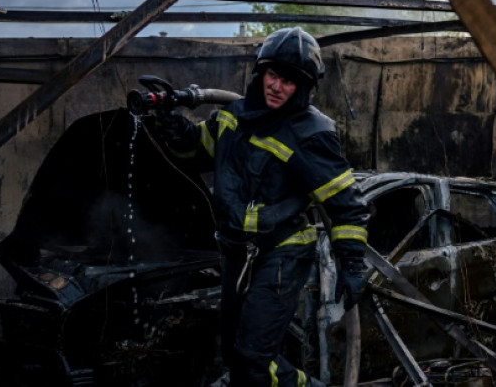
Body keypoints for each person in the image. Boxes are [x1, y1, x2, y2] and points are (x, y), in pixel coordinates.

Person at [157, 27, 370, 387]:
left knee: (253, 359)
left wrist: (352, 263)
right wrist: (169, 118)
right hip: (237, 253)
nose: (277, 86)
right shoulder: (233, 116)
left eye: (288, 81)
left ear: (302, 88)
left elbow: (345, 205)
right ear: (261, 72)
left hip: (282, 253)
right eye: (273, 75)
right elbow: (195, 149)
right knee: (235, 356)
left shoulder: (310, 133)